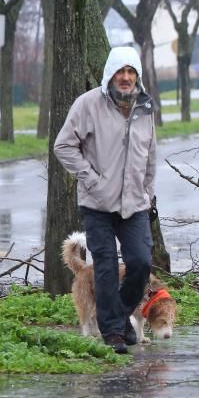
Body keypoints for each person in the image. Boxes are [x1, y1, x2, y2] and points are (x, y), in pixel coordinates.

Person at [54, 46, 157, 354]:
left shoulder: (145, 107)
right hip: (98, 203)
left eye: (131, 72)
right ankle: (112, 333)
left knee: (140, 263)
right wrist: (91, 179)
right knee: (107, 267)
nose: (125, 78)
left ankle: (117, 317)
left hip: (135, 203)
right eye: (120, 72)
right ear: (110, 74)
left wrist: (148, 193)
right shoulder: (88, 105)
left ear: (136, 75)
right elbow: (63, 146)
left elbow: (150, 153)